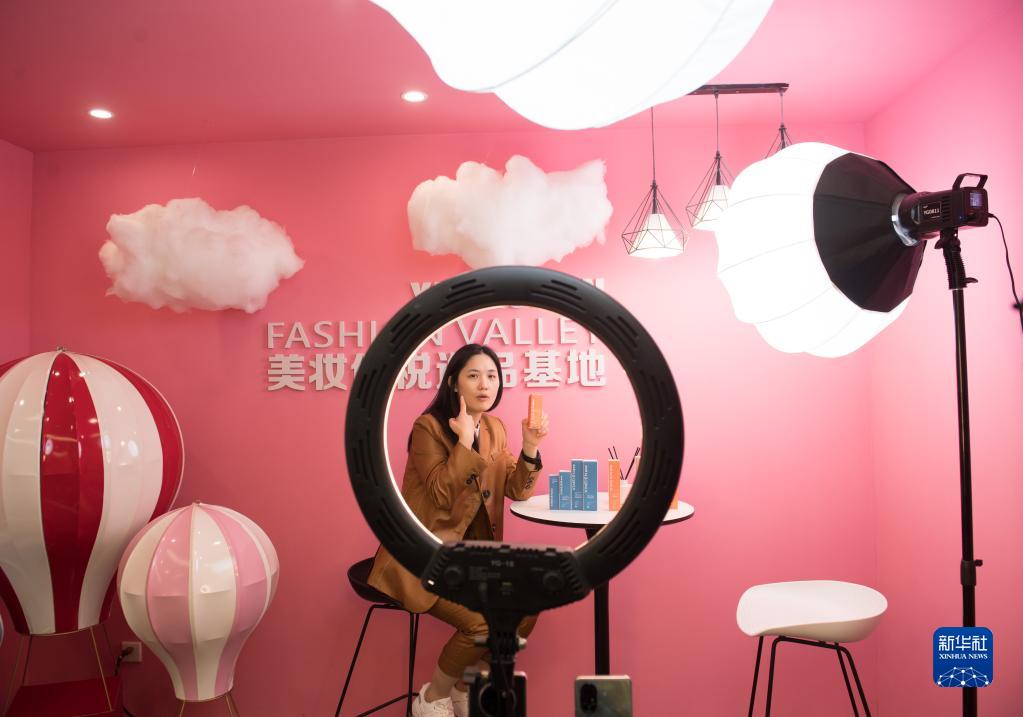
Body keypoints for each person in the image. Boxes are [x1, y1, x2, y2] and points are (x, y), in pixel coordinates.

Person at [368, 343, 549, 717]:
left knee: (527, 609)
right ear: (453, 382)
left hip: (471, 558)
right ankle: (432, 698)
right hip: (423, 558)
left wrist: (531, 447)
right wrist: (464, 442)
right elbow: (440, 494)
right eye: (474, 375)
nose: (485, 384)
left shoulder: (495, 427)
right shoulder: (429, 427)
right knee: (481, 624)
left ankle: (464, 687)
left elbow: (517, 489)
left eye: (492, 376)